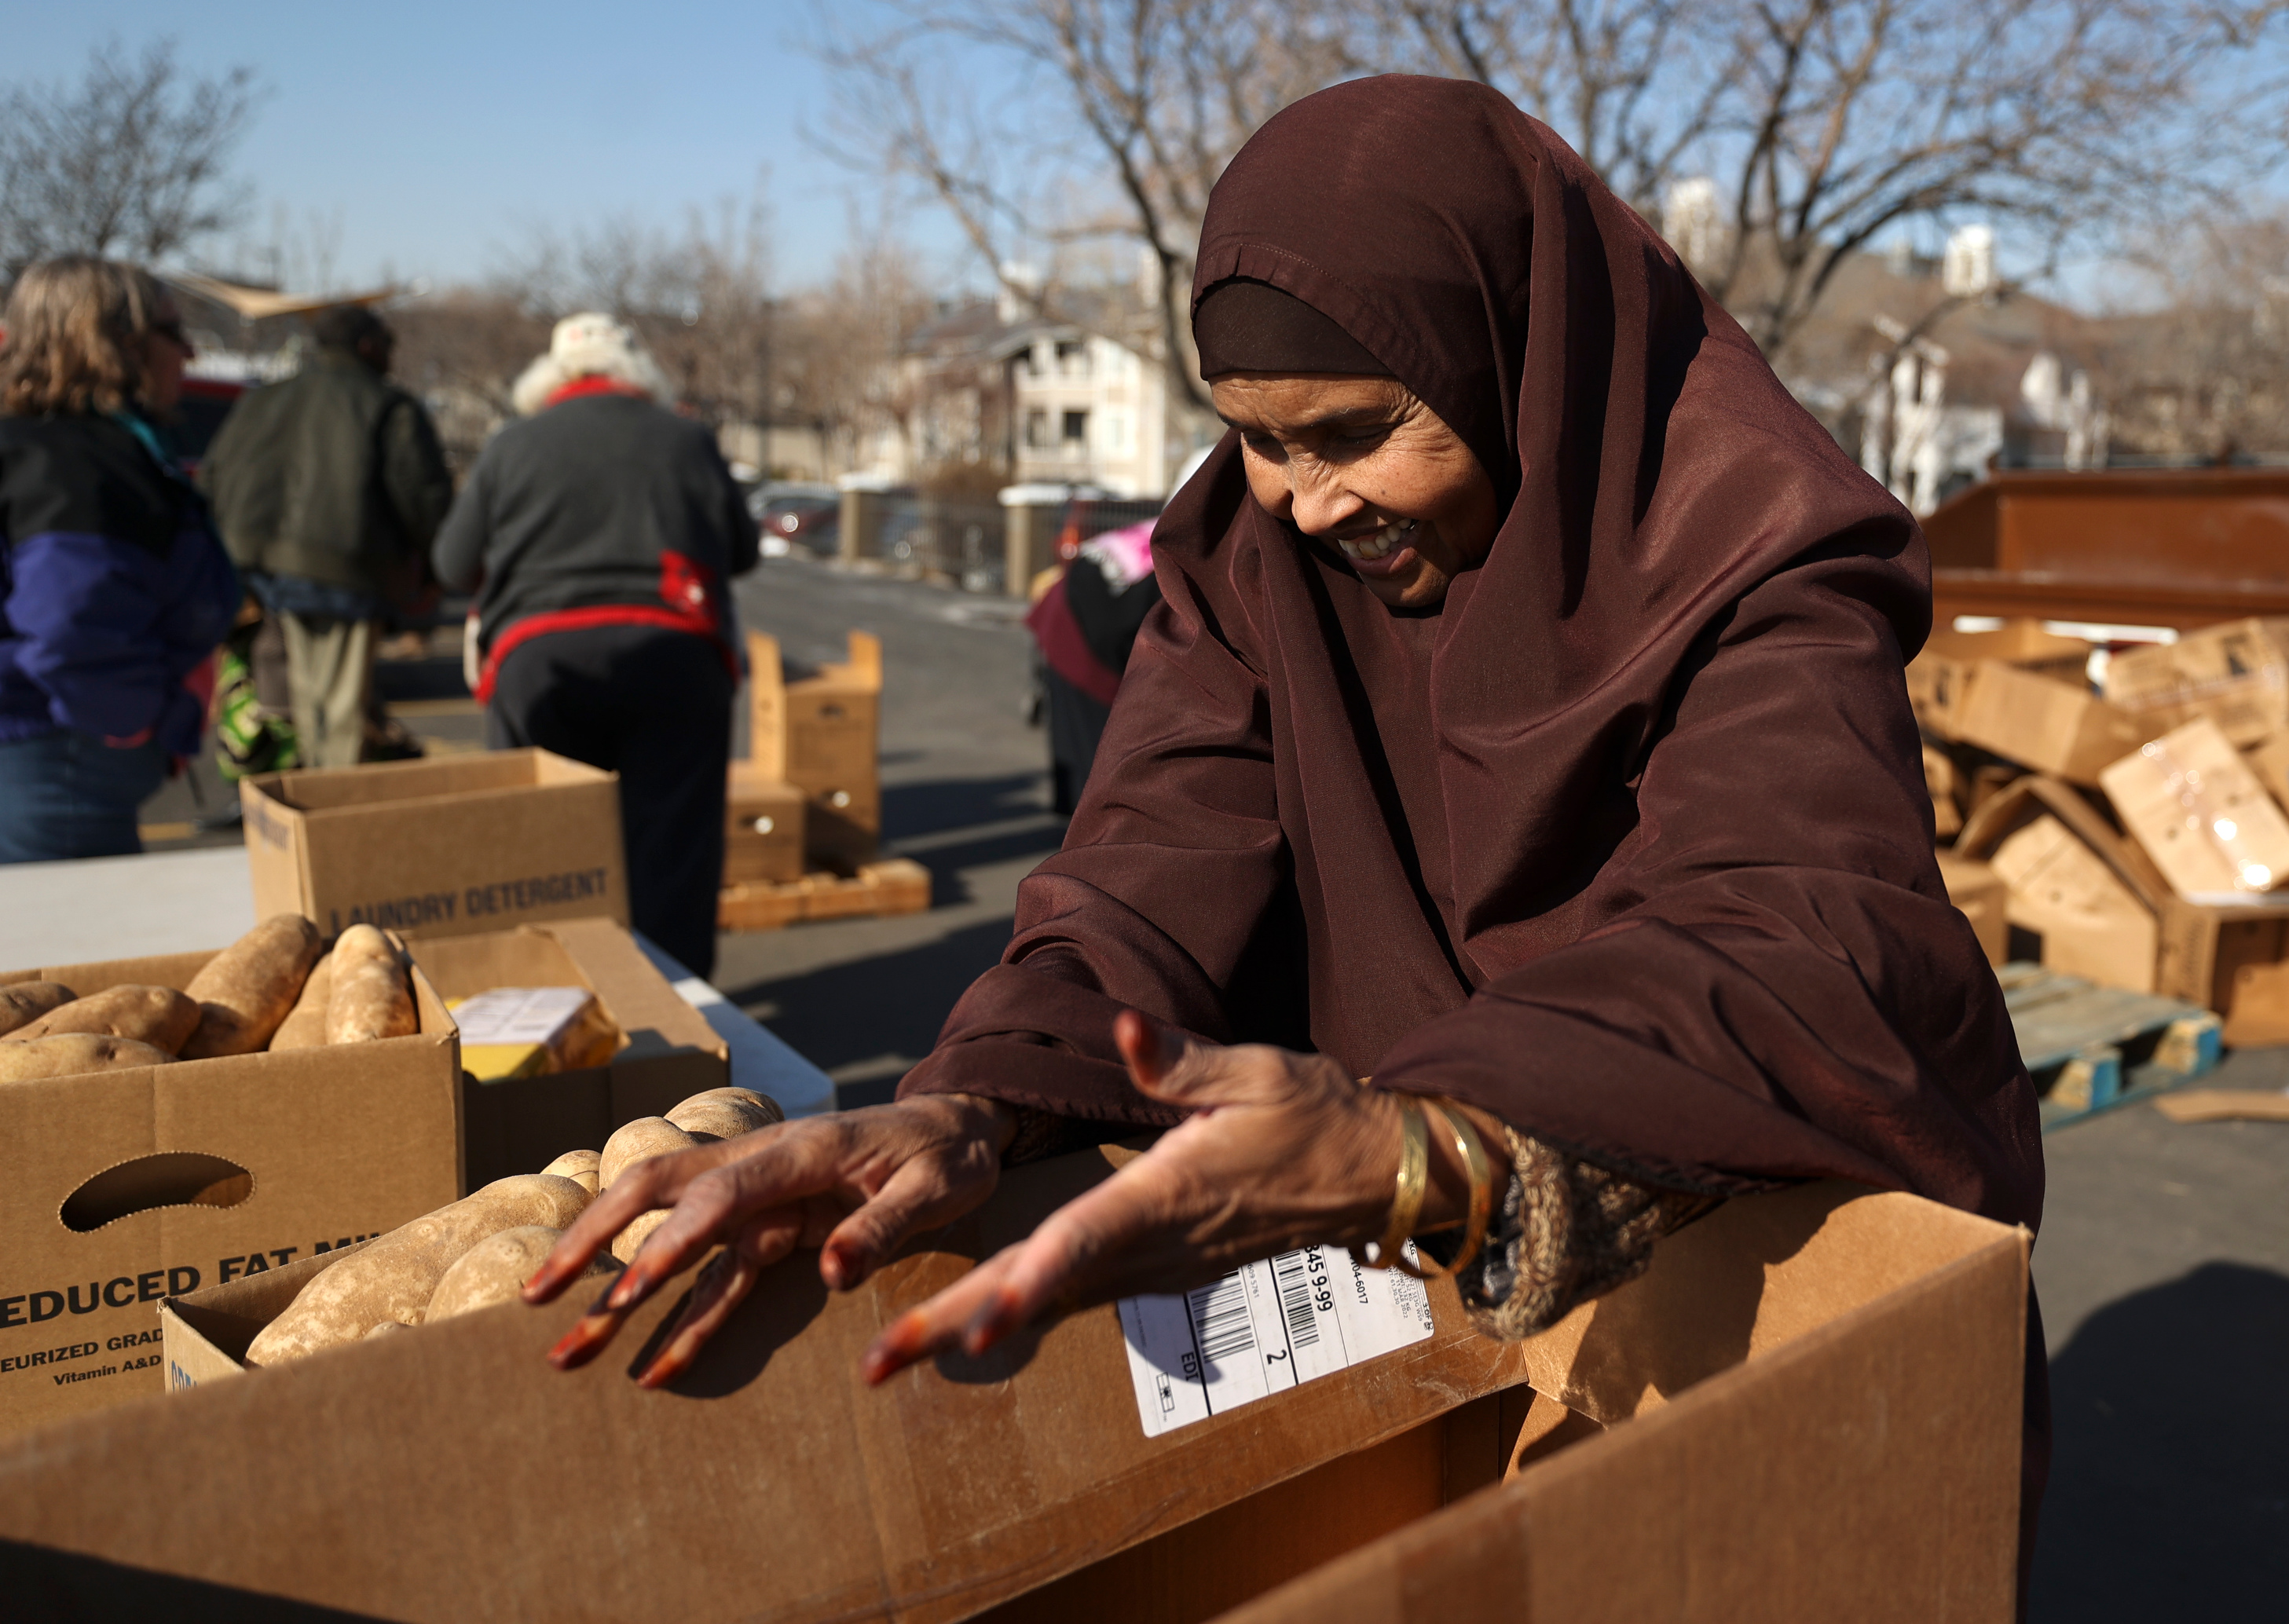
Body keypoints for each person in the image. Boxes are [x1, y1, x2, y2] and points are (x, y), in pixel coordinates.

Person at [529, 76, 2044, 1569]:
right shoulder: (1249, 555)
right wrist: (983, 1095)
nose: (1310, 501)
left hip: (1744, 1278)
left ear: (1515, 358)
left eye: (1360, 431)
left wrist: (1424, 1134)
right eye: (1259, 438)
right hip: (1423, 1292)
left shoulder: (1758, 556)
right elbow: (1144, 865)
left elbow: (1793, 929)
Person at [432, 313, 758, 978]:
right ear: (637, 371)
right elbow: (743, 552)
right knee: (671, 858)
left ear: (553, 376)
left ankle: (559, 1001)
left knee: (541, 858)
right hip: (675, 656)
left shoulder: (511, 443)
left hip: (539, 661)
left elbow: (452, 565)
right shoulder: (687, 438)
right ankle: (675, 1021)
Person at [0, 258, 242, 862]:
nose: (187, 354)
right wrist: (132, 723)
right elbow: (69, 624)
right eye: (173, 333)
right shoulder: (72, 464)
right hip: (59, 765)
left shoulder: (44, 447)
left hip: (51, 759)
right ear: (120, 344)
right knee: (70, 950)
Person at [201, 303, 452, 770]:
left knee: (298, 700)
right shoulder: (387, 404)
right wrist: (438, 570)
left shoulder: (264, 399)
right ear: (367, 347)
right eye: (389, 348)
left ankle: (310, 803)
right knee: (339, 711)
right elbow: (424, 497)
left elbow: (213, 479)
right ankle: (332, 816)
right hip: (345, 570)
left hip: (262, 573)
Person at [1025, 518, 1161, 813]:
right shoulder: (1184, 554)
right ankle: (1088, 826)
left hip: (1073, 607)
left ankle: (1080, 818)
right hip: (1080, 626)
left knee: (1076, 731)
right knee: (1095, 746)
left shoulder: (1175, 530)